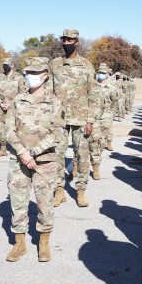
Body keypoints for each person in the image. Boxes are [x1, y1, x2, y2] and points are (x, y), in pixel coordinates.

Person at [6, 57, 65, 262]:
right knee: (17, 201)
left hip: (45, 160)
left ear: (45, 76)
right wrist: (23, 152)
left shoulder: (55, 102)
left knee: (44, 203)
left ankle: (43, 242)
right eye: (27, 72)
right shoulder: (18, 100)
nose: (29, 76)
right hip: (19, 160)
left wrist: (33, 153)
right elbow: (8, 129)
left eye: (34, 73)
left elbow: (57, 133)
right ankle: (19, 243)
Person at [50, 29, 96, 207]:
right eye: (64, 40)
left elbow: (93, 94)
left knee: (82, 155)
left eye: (70, 40)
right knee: (57, 155)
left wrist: (90, 119)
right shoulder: (54, 64)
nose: (66, 43)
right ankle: (59, 190)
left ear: (77, 42)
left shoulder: (86, 65)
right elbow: (48, 91)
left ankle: (81, 191)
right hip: (59, 118)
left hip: (81, 118)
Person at [88, 64, 116, 179]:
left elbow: (114, 103)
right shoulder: (92, 86)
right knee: (91, 142)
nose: (101, 75)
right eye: (100, 72)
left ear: (107, 75)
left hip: (105, 118)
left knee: (101, 143)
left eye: (103, 73)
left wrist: (110, 115)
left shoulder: (111, 88)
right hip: (93, 118)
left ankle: (96, 166)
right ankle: (79, 166)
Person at [0, 57, 24, 157]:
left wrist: (11, 103)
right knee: (1, 128)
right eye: (4, 65)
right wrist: (0, 103)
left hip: (14, 107)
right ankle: (3, 149)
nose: (5, 66)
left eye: (7, 64)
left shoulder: (19, 77)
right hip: (1, 107)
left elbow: (22, 92)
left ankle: (16, 148)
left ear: (12, 65)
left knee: (15, 128)